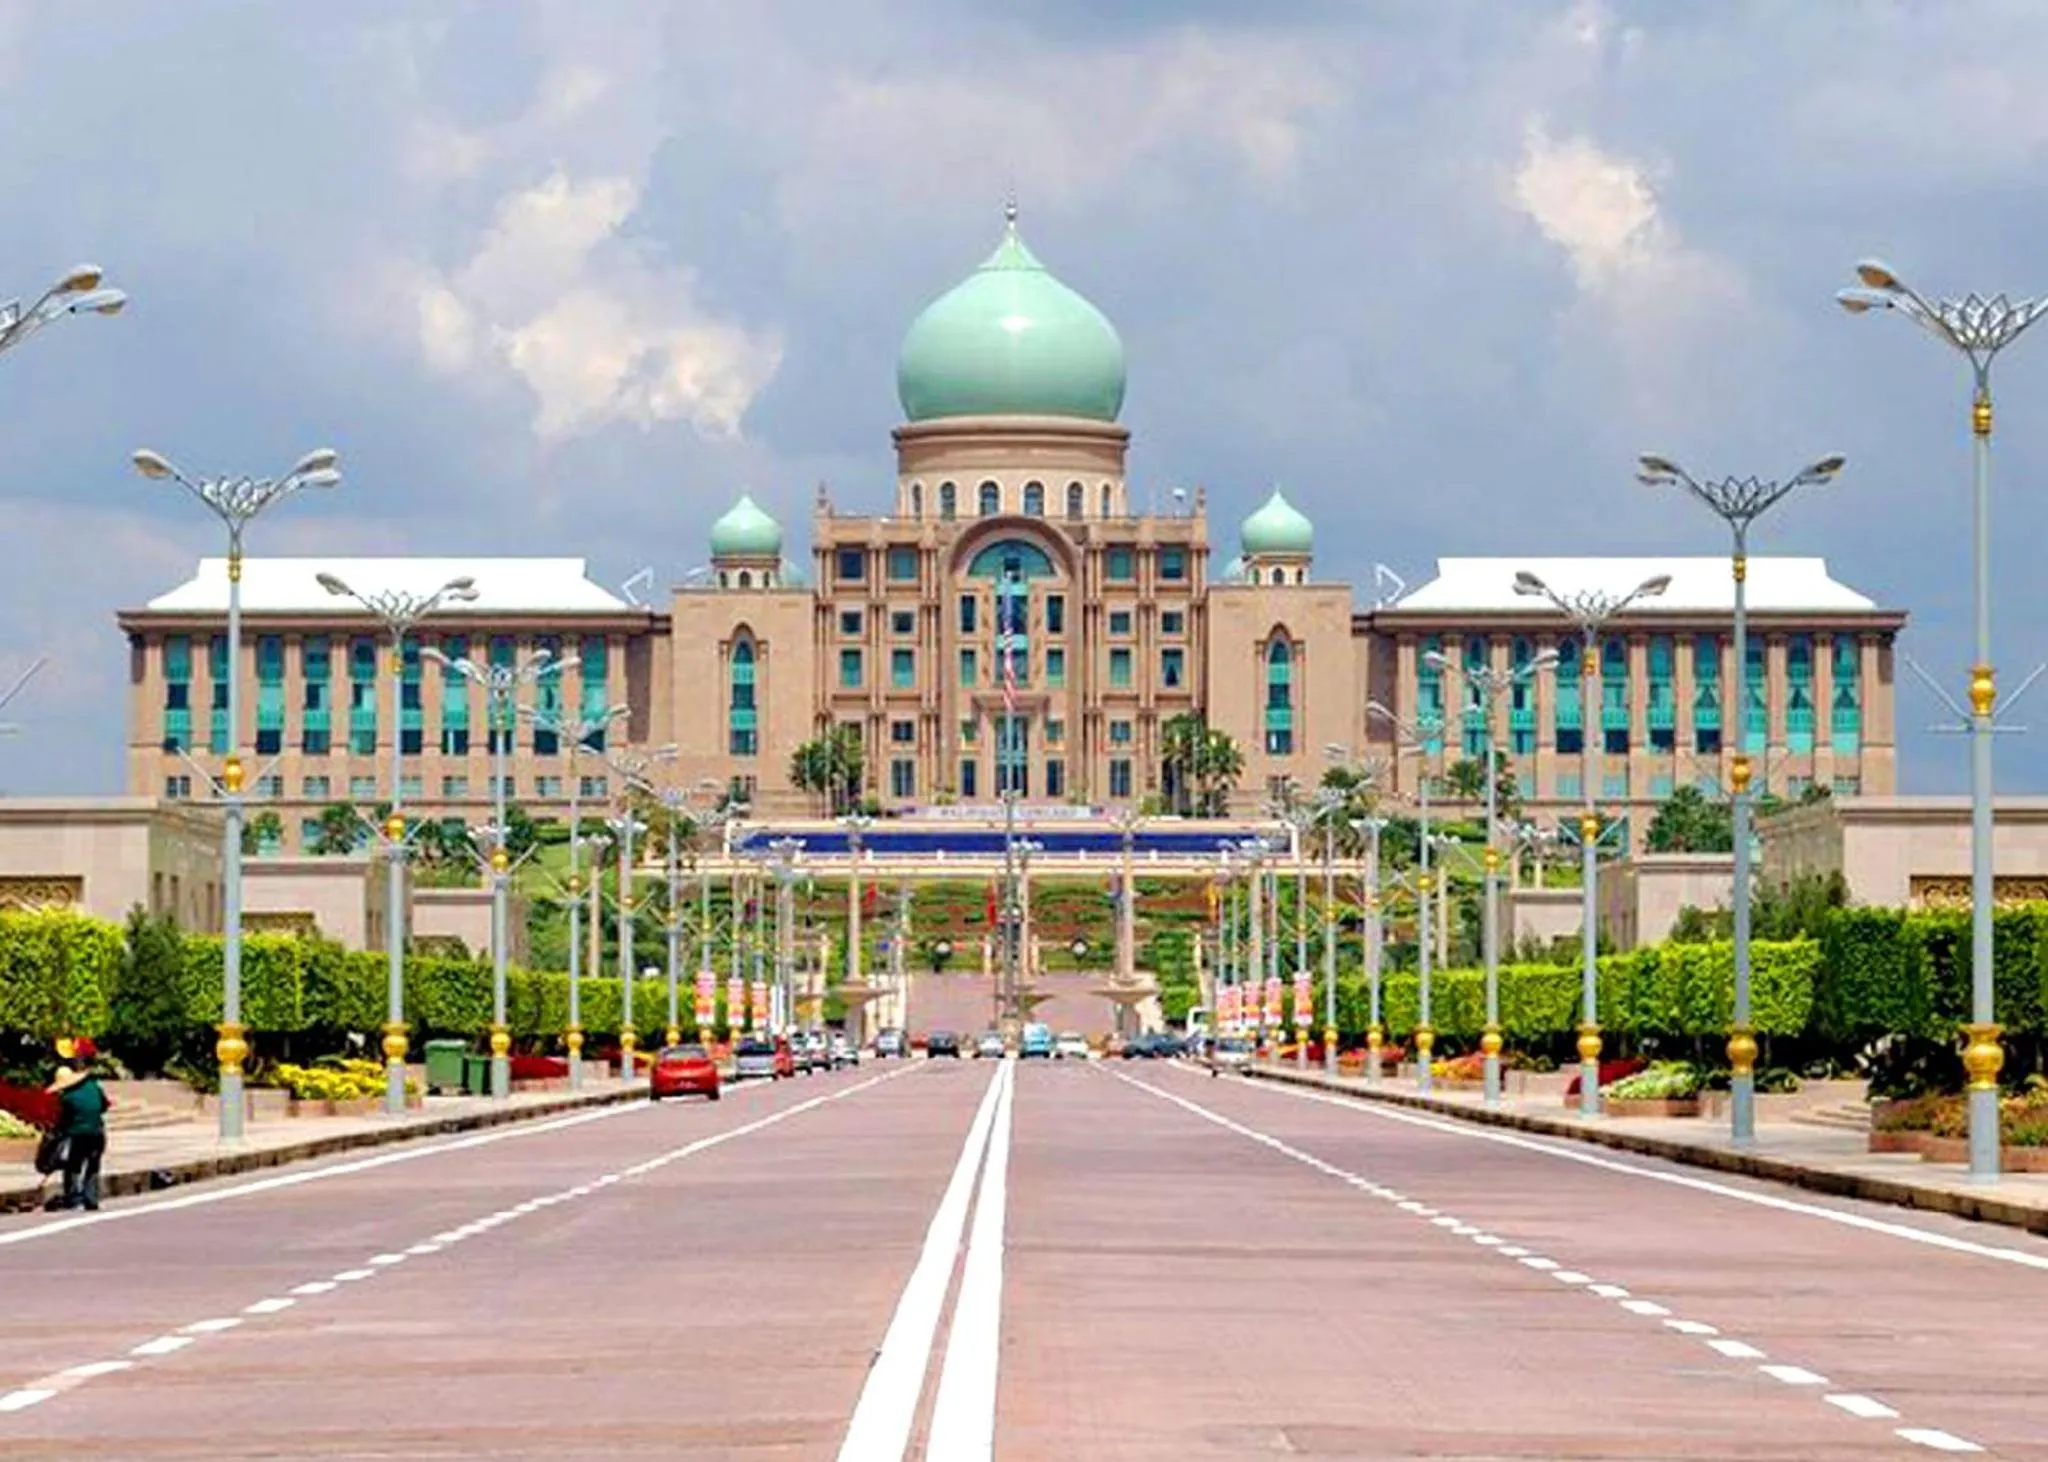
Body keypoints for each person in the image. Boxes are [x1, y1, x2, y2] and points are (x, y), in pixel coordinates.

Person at [45, 1060, 109, 1211]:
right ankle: (91, 1198)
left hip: (78, 1135)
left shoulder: (67, 1097)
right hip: (97, 1132)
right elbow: (104, 1106)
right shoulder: (94, 1087)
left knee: (73, 1164)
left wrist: (57, 1133)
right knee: (93, 1165)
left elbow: (63, 1120)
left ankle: (73, 1197)